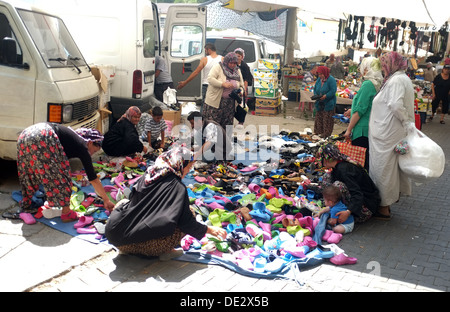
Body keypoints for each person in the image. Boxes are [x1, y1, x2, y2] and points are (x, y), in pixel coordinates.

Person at [105, 146, 227, 258]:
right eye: (188, 167)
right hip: (147, 247)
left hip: (117, 239)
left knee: (124, 202)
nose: (188, 171)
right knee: (187, 212)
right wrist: (209, 230)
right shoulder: (177, 187)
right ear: (178, 165)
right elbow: (187, 223)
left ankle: (130, 248)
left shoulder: (147, 176)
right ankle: (166, 251)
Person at [16, 123, 115, 222]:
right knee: (63, 175)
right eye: (94, 150)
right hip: (45, 135)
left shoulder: (71, 139)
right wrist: (106, 200)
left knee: (29, 172)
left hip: (25, 135)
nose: (92, 154)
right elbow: (93, 178)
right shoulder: (82, 147)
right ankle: (66, 212)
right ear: (90, 143)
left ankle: (26, 205)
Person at [368, 51, 415, 219]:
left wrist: (406, 122)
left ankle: (383, 207)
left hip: (387, 135)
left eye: (386, 62)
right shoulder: (399, 79)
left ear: (394, 64)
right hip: (387, 133)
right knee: (388, 169)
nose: (384, 67)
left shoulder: (396, 80)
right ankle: (386, 204)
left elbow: (395, 105)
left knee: (383, 170)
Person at [316, 143, 381, 223]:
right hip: (359, 202)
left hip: (366, 208)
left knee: (337, 186)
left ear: (326, 159)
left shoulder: (344, 170)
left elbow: (357, 194)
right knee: (327, 176)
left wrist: (347, 212)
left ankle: (338, 211)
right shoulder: (338, 166)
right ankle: (332, 206)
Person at [344, 57, 383, 172]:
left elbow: (360, 111)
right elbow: (369, 105)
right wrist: (352, 110)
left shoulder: (368, 85)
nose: (363, 71)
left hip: (362, 130)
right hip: (370, 127)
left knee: (359, 165)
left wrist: (349, 129)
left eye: (364, 68)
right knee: (366, 163)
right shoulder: (378, 84)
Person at [203, 52, 245, 131]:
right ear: (226, 61)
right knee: (214, 125)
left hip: (229, 104)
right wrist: (222, 84)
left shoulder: (237, 70)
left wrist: (240, 91)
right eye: (231, 63)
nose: (233, 65)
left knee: (226, 126)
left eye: (234, 63)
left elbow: (241, 85)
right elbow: (210, 79)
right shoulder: (218, 67)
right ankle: (211, 142)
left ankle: (225, 142)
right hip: (215, 103)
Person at [177, 43, 222, 111]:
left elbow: (196, 72)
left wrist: (185, 82)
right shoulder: (222, 59)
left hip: (206, 85)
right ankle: (211, 121)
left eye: (205, 51)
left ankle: (198, 122)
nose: (205, 52)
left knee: (203, 105)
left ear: (209, 50)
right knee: (215, 106)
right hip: (217, 85)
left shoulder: (204, 60)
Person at [313, 66, 337, 138]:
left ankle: (325, 135)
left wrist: (326, 96)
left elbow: (333, 90)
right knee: (319, 118)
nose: (320, 76)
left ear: (325, 73)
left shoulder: (331, 80)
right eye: (319, 74)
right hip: (319, 102)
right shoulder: (319, 80)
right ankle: (318, 134)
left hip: (328, 103)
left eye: (321, 74)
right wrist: (316, 95)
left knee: (327, 120)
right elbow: (315, 88)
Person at [234, 47, 254, 115]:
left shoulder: (245, 66)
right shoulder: (233, 65)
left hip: (243, 85)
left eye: (239, 56)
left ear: (242, 57)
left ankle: (241, 118)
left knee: (242, 102)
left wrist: (245, 89)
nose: (237, 58)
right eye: (236, 56)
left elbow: (246, 79)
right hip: (235, 85)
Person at [430, 59, 450, 124]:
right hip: (437, 93)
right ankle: (432, 115)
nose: (447, 70)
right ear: (443, 69)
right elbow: (433, 85)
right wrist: (433, 94)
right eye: (446, 69)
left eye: (448, 69)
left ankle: (441, 119)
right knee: (434, 105)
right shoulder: (439, 76)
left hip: (446, 94)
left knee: (445, 106)